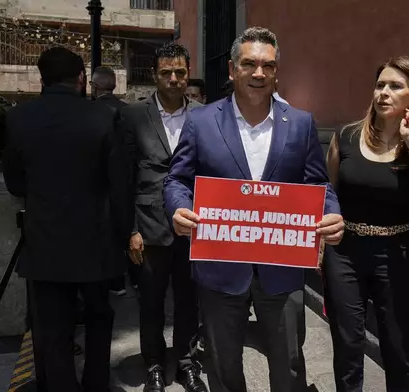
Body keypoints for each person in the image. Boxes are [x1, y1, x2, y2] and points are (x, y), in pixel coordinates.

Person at [164, 26, 344, 392]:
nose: (259, 73)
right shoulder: (201, 121)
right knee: (222, 363)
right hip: (219, 266)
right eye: (250, 64)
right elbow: (176, 180)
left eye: (268, 65)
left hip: (281, 267)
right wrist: (178, 209)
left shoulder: (300, 123)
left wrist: (331, 211)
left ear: (277, 71)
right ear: (232, 69)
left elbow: (317, 183)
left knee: (289, 363)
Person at [3, 47, 132, 392]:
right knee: (99, 318)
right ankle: (95, 384)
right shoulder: (104, 118)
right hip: (97, 242)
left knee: (53, 327)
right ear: (81, 79)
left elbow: (15, 183)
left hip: (45, 241)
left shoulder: (18, 119)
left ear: (41, 79)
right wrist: (124, 238)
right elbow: (120, 185)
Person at [324, 56, 409, 392]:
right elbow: (328, 191)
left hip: (398, 254)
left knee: (398, 346)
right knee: (348, 345)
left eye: (395, 86)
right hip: (344, 252)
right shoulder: (347, 136)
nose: (384, 92)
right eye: (380, 85)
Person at [120, 42, 207, 392]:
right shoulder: (132, 116)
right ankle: (154, 364)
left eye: (180, 73)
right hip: (149, 227)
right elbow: (122, 177)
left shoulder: (205, 114)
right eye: (166, 73)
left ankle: (187, 364)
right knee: (151, 303)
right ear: (154, 75)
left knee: (189, 302)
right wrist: (130, 230)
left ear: (188, 74)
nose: (174, 79)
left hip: (193, 226)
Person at [91, 65, 140, 296]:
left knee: (109, 231)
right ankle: (137, 276)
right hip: (131, 178)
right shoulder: (129, 111)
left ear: (94, 86)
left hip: (103, 182)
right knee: (130, 228)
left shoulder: (90, 112)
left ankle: (115, 280)